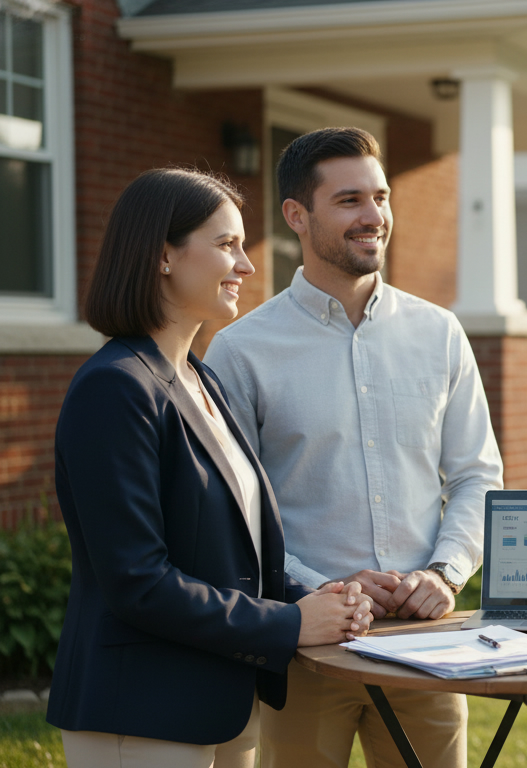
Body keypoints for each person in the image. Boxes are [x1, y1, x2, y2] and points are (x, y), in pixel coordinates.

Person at [47, 168, 374, 768]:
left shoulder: (203, 379)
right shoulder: (114, 389)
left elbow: (232, 550)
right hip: (141, 711)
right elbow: (137, 580)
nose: (247, 266)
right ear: (163, 255)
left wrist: (320, 597)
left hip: (222, 701)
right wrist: (287, 625)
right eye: (227, 245)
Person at [205, 127, 503, 768]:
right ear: (296, 215)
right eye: (349, 201)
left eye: (382, 197)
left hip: (429, 645)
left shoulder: (440, 333)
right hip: (310, 649)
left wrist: (446, 573)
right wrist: (324, 590)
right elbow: (234, 516)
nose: (374, 217)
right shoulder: (241, 351)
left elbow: (478, 474)